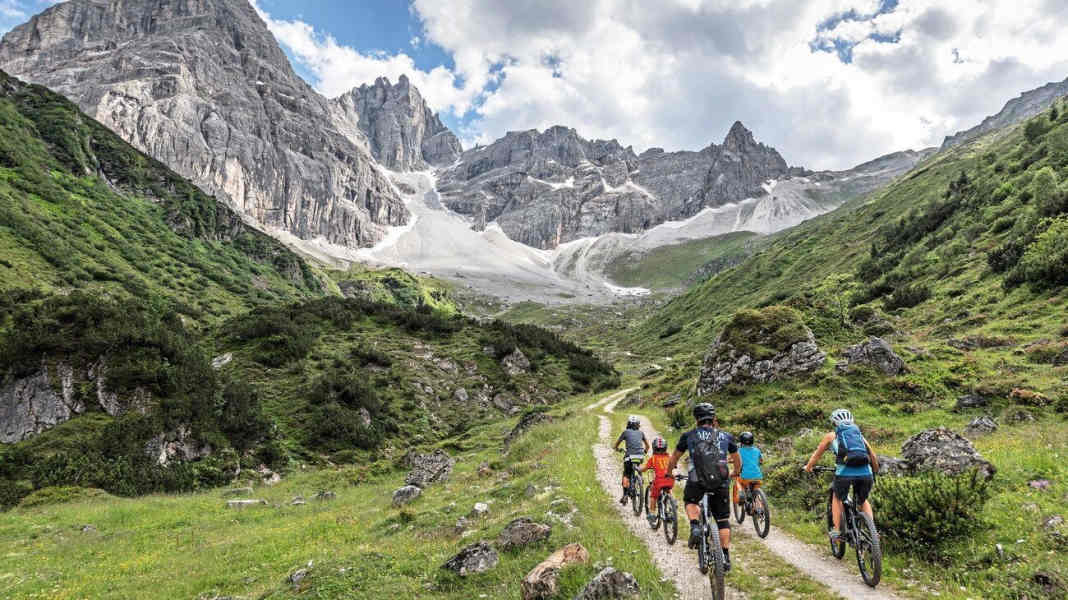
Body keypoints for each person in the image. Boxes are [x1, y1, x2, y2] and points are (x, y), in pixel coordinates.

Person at [666, 403, 741, 572]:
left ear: (696, 419)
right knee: (722, 519)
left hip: (696, 479)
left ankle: (694, 526)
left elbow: (674, 458)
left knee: (690, 501)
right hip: (721, 481)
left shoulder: (689, 435)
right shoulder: (725, 436)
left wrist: (670, 472)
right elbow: (737, 459)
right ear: (713, 418)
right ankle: (725, 556)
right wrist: (735, 472)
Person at [803, 408, 880, 543]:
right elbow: (872, 455)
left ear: (834, 423)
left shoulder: (831, 436)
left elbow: (816, 455)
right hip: (866, 473)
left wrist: (808, 468)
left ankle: (838, 532)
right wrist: (874, 470)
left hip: (844, 473)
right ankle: (872, 532)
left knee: (837, 497)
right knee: (863, 500)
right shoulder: (859, 435)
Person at [613, 415, 650, 504]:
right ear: (638, 424)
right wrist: (644, 453)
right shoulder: (641, 433)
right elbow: (648, 446)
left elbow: (615, 445)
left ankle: (625, 495)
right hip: (640, 456)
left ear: (628, 424)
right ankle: (640, 479)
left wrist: (618, 449)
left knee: (626, 473)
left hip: (629, 456)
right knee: (639, 466)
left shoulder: (625, 432)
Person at [638, 436, 674, 525]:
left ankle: (652, 514)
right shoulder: (669, 457)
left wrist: (638, 469)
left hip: (659, 481)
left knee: (653, 496)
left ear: (654, 448)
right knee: (669, 489)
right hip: (670, 480)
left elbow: (645, 468)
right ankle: (672, 503)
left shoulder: (653, 459)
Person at [733, 431, 763, 507]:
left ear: (741, 442)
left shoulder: (739, 451)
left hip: (745, 477)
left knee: (737, 480)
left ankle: (741, 494)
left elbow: (733, 459)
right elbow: (761, 461)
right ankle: (759, 507)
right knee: (756, 495)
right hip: (758, 477)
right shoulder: (757, 450)